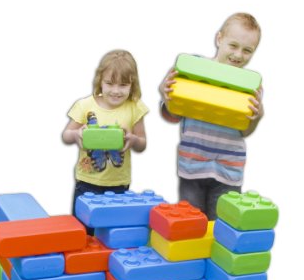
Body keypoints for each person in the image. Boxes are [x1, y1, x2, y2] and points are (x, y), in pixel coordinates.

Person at [159, 13, 264, 220]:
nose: (238, 55)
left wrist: (257, 117)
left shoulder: (250, 86)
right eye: (233, 45)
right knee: (191, 225)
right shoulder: (192, 68)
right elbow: (172, 116)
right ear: (219, 39)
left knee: (221, 228)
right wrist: (166, 95)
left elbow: (245, 131)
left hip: (229, 171)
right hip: (192, 166)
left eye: (247, 50)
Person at [62, 49, 148, 221]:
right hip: (87, 181)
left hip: (119, 184)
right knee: (83, 229)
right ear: (100, 80)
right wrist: (76, 134)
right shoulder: (85, 105)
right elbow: (66, 135)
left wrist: (133, 140)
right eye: (109, 83)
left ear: (132, 84)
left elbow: (142, 143)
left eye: (123, 85)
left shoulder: (134, 107)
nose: (116, 91)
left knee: (112, 228)